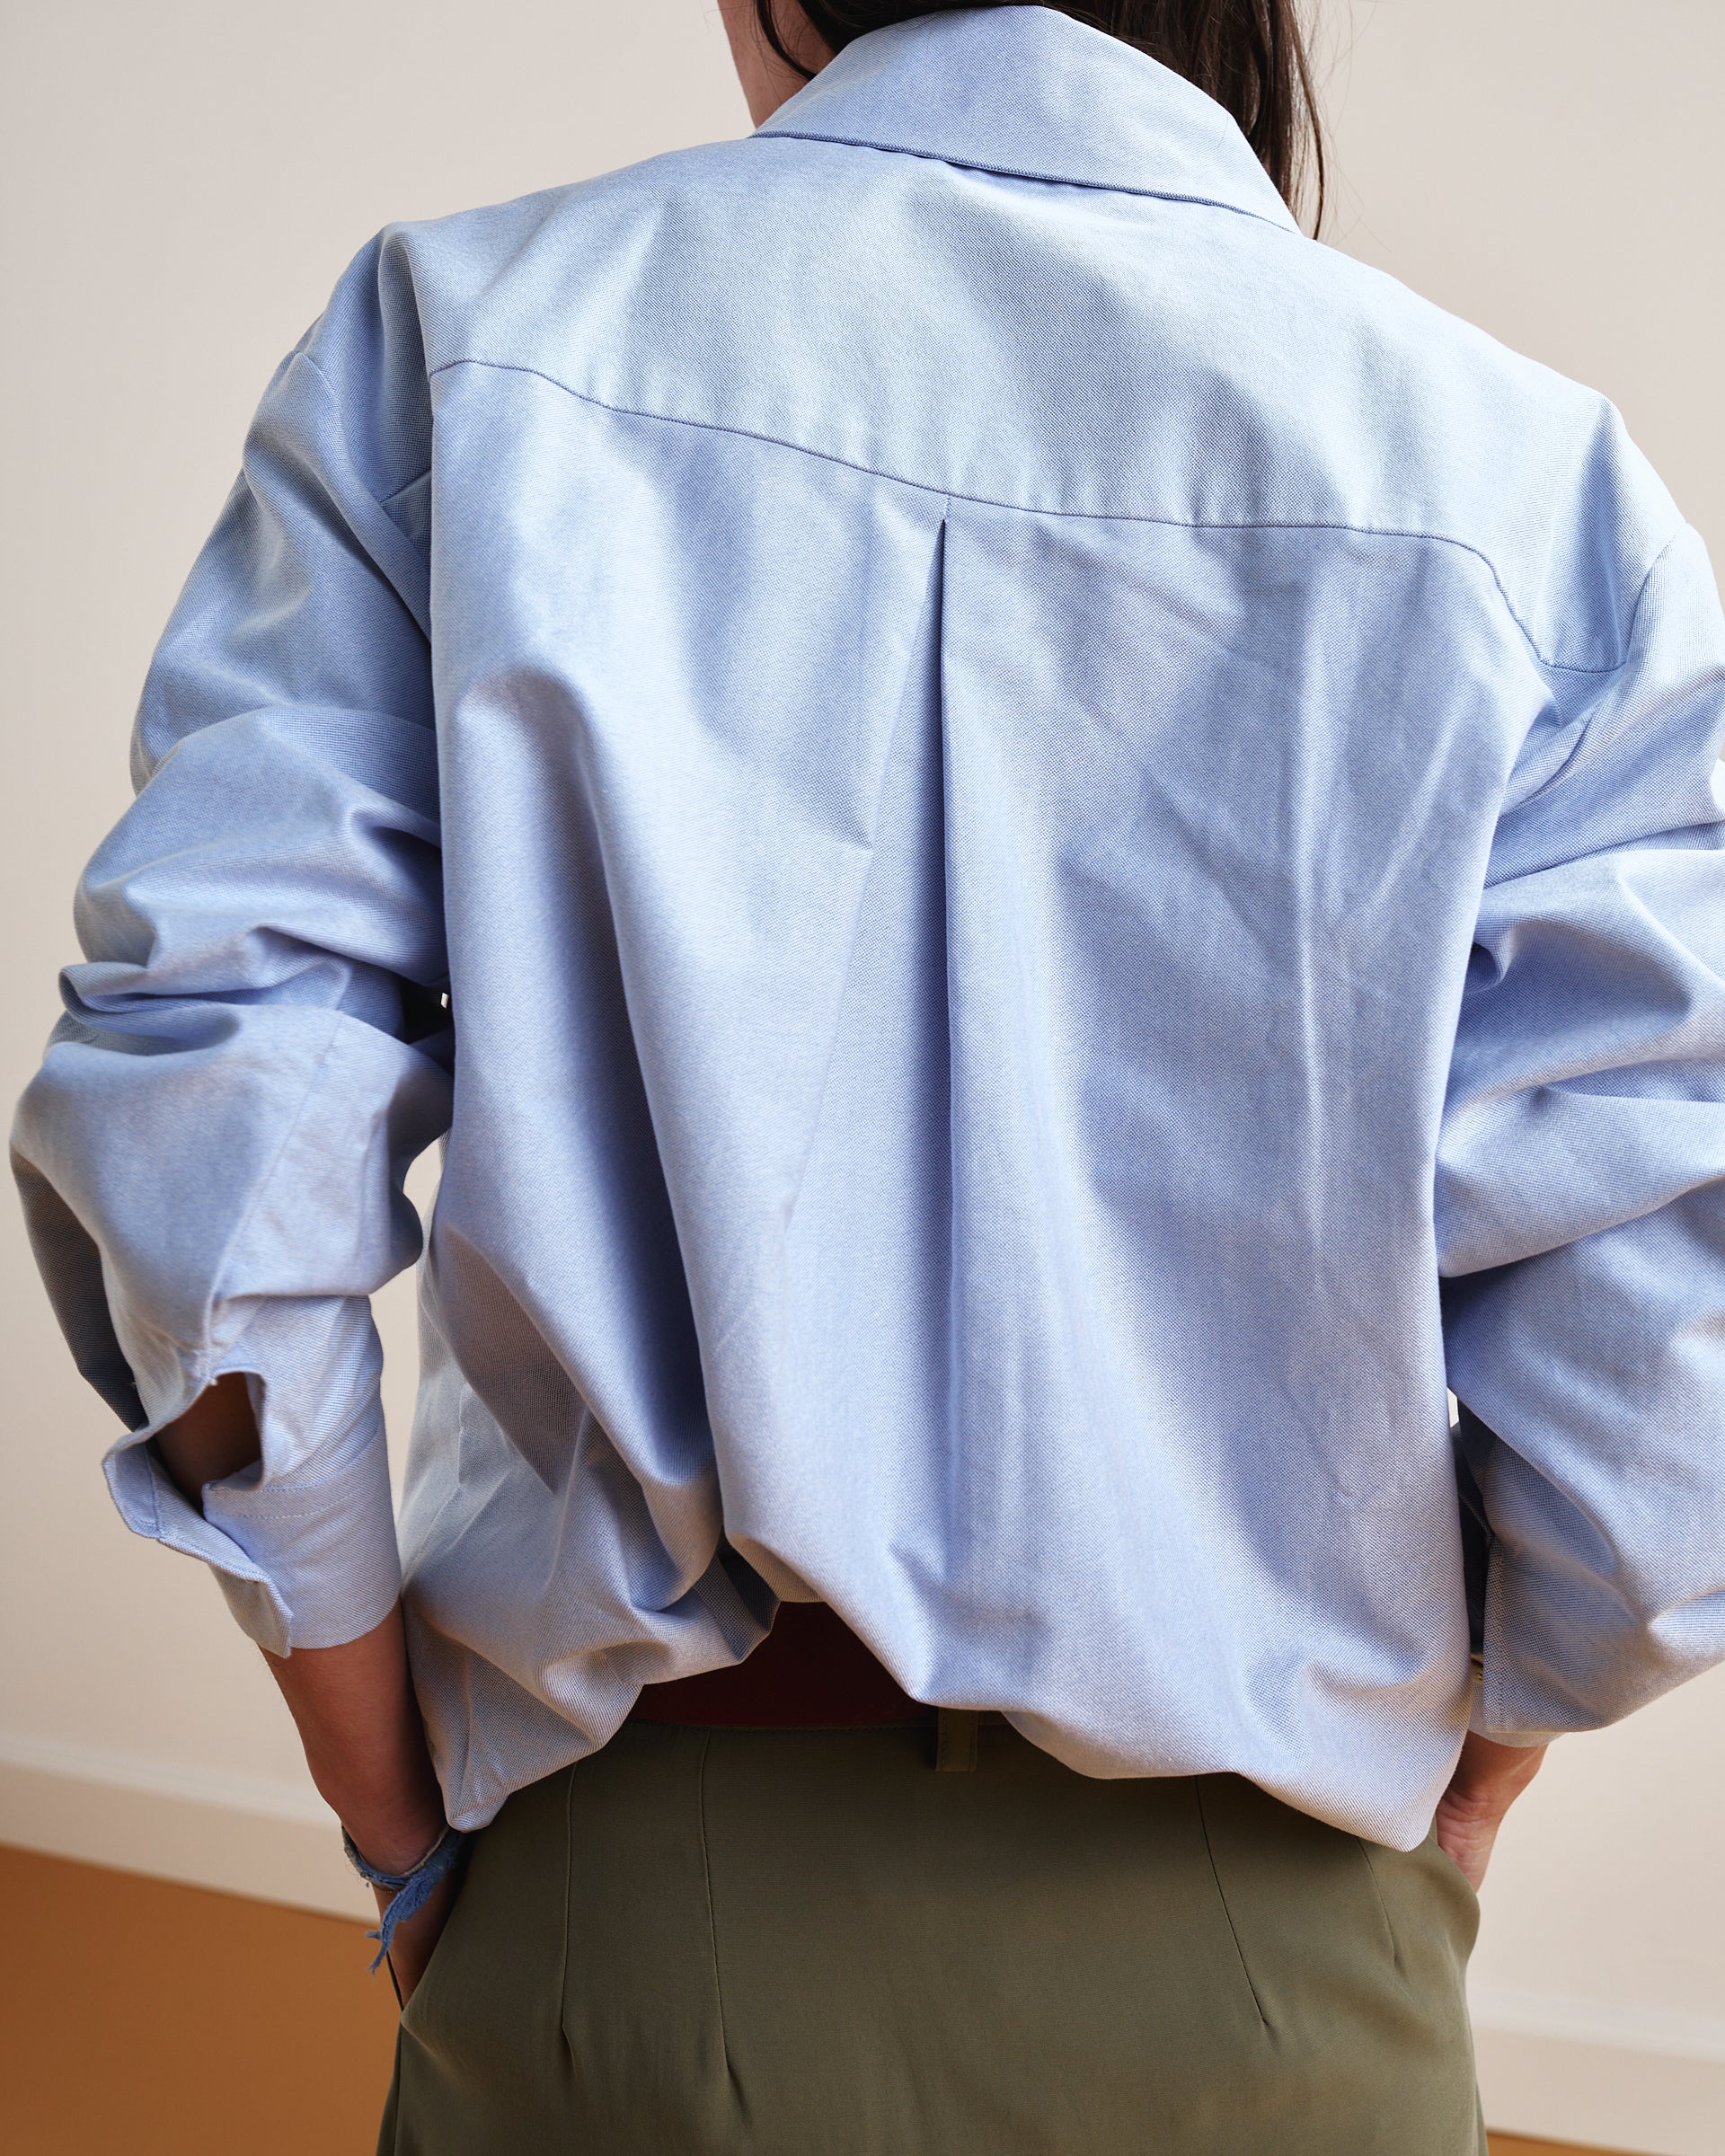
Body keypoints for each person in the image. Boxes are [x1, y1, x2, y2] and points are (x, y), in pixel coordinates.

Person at [13, 2, 1725, 2149]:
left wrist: (397, 1827)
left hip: (636, 1922)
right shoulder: (1536, 498)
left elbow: (203, 1156)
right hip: (1279, 1956)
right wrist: (1466, 1794)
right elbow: (1668, 1403)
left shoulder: (465, 346)